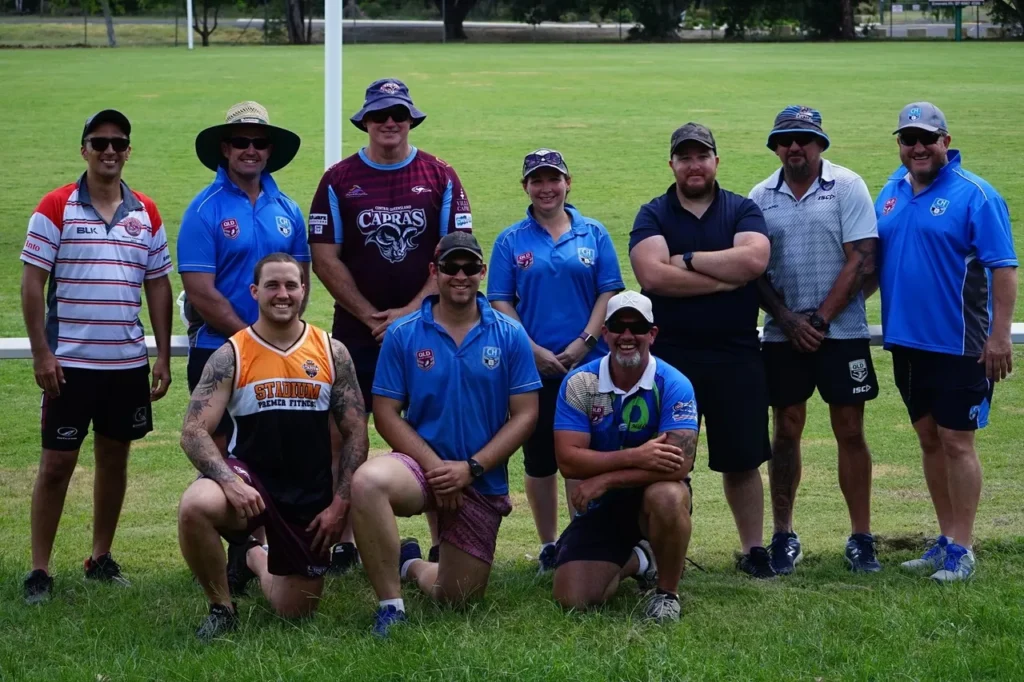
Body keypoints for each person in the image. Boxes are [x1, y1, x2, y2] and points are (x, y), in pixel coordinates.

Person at [308, 78, 473, 572]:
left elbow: (456, 254)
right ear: (365, 121)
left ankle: (444, 540)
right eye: (379, 114)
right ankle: (345, 541)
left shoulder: (440, 174)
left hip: (427, 326)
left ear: (410, 120)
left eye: (398, 114)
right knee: (344, 430)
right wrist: (368, 314)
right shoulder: (338, 179)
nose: (389, 122)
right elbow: (324, 256)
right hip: (357, 330)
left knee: (435, 428)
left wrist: (408, 313)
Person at [349, 232, 541, 638]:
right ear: (434, 271)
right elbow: (385, 414)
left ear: (482, 272)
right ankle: (390, 607)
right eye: (451, 266)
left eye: (470, 267)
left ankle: (411, 563)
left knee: (457, 597)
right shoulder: (403, 334)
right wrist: (438, 469)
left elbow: (526, 415)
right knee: (367, 482)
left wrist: (470, 469)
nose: (460, 275)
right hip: (421, 469)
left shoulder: (510, 334)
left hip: (479, 478)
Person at [20, 110, 173, 604]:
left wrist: (162, 355)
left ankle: (100, 557)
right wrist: (42, 353)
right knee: (56, 465)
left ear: (128, 151)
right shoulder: (56, 205)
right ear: (83, 149)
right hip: (68, 366)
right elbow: (32, 283)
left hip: (125, 365)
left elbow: (158, 285)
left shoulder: (146, 211)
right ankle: (39, 569)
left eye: (118, 142)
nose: (109, 150)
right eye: (99, 141)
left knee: (114, 461)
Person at [177, 253, 369, 641]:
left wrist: (340, 504)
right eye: (272, 285)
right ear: (255, 292)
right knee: (196, 505)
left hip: (307, 495)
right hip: (249, 483)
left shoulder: (332, 352)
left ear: (304, 291)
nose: (282, 294)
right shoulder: (231, 354)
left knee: (293, 610)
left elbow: (356, 433)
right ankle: (222, 608)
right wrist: (230, 482)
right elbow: (193, 431)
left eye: (291, 285)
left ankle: (250, 554)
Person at [874, 102, 1018, 583]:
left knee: (957, 441)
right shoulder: (891, 192)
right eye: (907, 139)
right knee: (928, 439)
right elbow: (874, 262)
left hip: (961, 344)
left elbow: (1003, 268)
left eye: (926, 139)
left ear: (945, 142)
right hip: (905, 343)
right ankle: (945, 537)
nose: (917, 147)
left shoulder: (976, 195)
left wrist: (1000, 336)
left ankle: (964, 547)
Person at [628, 123, 775, 578]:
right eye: (685, 157)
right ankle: (659, 553)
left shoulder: (742, 208)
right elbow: (653, 276)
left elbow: (754, 260)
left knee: (744, 459)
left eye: (702, 156)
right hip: (671, 359)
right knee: (668, 459)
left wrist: (688, 260)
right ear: (672, 163)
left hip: (737, 355)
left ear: (716, 160)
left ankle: (753, 550)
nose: (694, 165)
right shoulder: (653, 214)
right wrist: (724, 280)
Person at [749, 106, 882, 575]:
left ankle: (861, 536)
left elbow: (861, 260)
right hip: (782, 335)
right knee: (786, 430)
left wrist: (820, 321)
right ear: (775, 147)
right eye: (785, 140)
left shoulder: (848, 186)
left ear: (820, 144)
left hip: (841, 332)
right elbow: (754, 271)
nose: (794, 147)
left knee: (850, 429)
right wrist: (788, 320)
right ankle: (783, 534)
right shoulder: (759, 197)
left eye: (804, 139)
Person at [488, 148, 624, 572]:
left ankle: (583, 538)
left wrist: (585, 342)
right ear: (525, 186)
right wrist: (534, 351)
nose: (546, 188)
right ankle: (549, 544)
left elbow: (608, 292)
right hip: (533, 369)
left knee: (586, 454)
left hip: (590, 366)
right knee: (541, 459)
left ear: (568, 183)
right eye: (537, 181)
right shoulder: (511, 240)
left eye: (554, 179)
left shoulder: (594, 233)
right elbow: (500, 301)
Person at [551, 291, 697, 623]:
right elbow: (568, 461)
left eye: (638, 327)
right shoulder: (579, 382)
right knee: (573, 597)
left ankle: (667, 594)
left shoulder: (675, 383)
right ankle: (643, 559)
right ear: (605, 333)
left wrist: (606, 478)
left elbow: (679, 464)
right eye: (618, 326)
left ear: (652, 334)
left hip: (649, 496)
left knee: (669, 496)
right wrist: (639, 455)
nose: (627, 335)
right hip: (601, 505)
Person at [177, 101, 309, 452]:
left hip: (279, 352)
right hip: (216, 350)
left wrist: (277, 340)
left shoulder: (289, 209)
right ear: (225, 148)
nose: (250, 150)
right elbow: (201, 293)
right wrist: (254, 341)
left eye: (259, 143)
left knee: (276, 454)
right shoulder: (203, 209)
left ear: (270, 151)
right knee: (216, 456)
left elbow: (300, 284)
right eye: (240, 142)